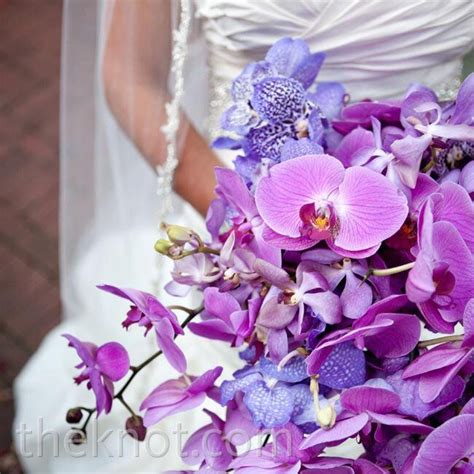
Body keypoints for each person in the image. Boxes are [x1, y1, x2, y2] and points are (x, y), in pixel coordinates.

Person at [14, 0, 474, 472]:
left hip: (433, 229)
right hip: (240, 223)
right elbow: (130, 76)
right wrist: (257, 227)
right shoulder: (261, 228)